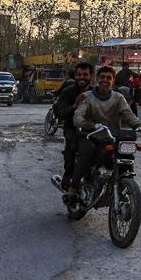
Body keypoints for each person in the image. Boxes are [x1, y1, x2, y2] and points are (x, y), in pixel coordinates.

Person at [68, 66, 141, 199]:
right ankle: (73, 188)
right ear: (97, 79)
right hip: (89, 136)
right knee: (87, 152)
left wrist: (139, 125)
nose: (105, 80)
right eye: (102, 77)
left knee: (125, 157)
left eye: (108, 78)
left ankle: (122, 188)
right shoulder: (86, 97)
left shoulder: (118, 98)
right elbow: (78, 116)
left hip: (111, 137)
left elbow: (128, 114)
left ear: (113, 81)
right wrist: (87, 125)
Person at [53, 62, 94, 190]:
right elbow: (61, 113)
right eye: (79, 74)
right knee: (72, 146)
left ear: (91, 76)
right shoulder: (68, 91)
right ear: (75, 76)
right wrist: (74, 106)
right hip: (72, 128)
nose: (82, 77)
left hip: (93, 129)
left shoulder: (96, 92)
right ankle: (68, 179)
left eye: (85, 75)